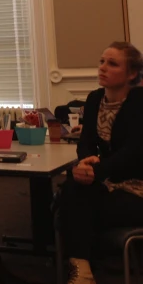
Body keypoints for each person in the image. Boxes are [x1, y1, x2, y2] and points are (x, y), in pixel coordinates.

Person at [58, 41, 143, 284]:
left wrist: (96, 170)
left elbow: (134, 152)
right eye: (102, 61)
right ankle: (82, 268)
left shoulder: (139, 102)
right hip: (110, 181)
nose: (103, 67)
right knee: (74, 190)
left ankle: (81, 268)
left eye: (112, 63)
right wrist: (86, 161)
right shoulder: (95, 99)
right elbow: (86, 142)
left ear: (132, 74)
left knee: (72, 202)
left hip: (138, 189)